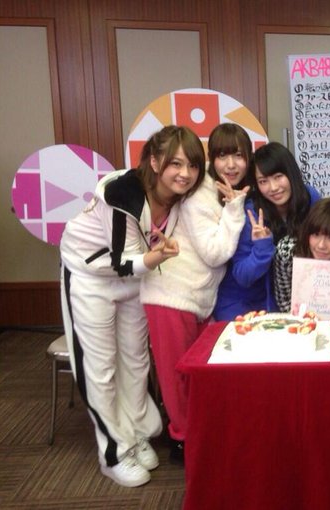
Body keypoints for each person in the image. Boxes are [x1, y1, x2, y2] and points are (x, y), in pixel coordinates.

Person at [59, 125, 205, 487]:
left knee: (136, 363)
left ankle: (136, 434)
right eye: (175, 163)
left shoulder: (183, 196)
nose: (185, 174)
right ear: (154, 161)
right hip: (91, 277)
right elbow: (122, 261)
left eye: (192, 165)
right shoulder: (122, 191)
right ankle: (113, 452)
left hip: (136, 280)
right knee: (101, 368)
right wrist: (155, 258)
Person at [140, 123, 250, 464]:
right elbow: (215, 253)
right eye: (222, 156)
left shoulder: (216, 189)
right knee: (178, 375)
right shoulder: (201, 194)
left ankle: (195, 433)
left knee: (197, 372)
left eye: (238, 156)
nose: (230, 164)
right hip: (171, 295)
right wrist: (234, 210)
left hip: (196, 297)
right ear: (211, 159)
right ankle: (183, 439)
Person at [213, 141, 321, 320]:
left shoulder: (309, 198)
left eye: (278, 177)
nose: (273, 188)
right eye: (263, 181)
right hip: (245, 302)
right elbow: (242, 276)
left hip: (295, 297)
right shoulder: (251, 212)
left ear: (291, 173)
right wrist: (262, 247)